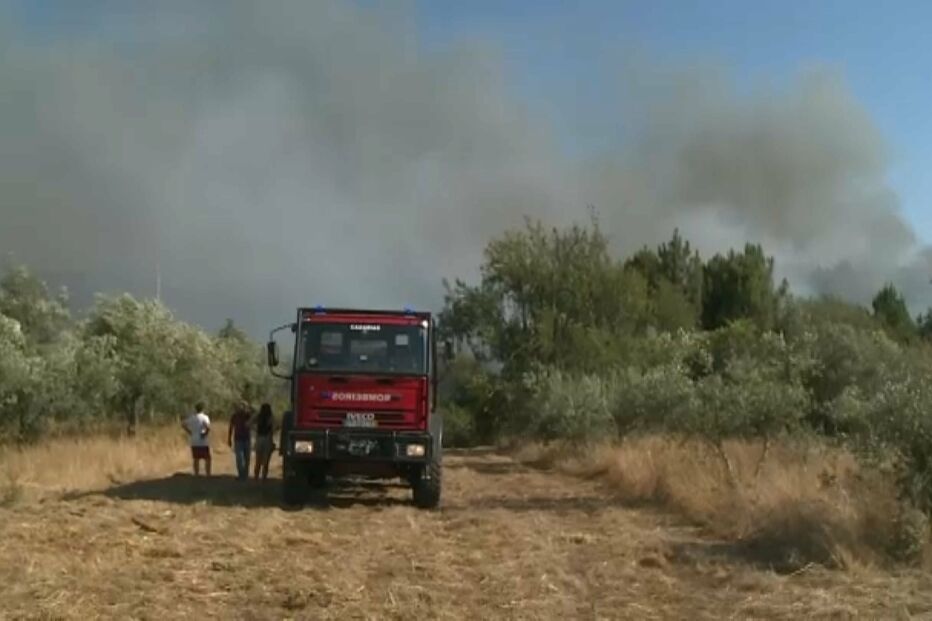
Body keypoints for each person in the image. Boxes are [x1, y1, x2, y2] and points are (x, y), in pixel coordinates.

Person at [182, 402, 211, 476]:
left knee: (196, 458)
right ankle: (208, 473)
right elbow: (208, 427)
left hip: (194, 439)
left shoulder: (192, 417)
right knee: (207, 458)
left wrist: (189, 432)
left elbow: (183, 424)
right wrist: (204, 434)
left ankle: (196, 473)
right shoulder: (205, 417)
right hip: (203, 440)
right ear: (203, 409)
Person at [228, 401, 252, 481]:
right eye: (239, 406)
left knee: (247, 458)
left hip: (246, 439)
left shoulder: (247, 415)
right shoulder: (234, 416)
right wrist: (229, 438)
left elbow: (255, 414)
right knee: (239, 458)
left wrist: (247, 406)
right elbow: (231, 427)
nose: (241, 408)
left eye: (242, 406)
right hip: (238, 439)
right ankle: (241, 475)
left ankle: (245, 475)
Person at [253, 403, 276, 482]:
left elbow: (248, 424)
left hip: (259, 438)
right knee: (266, 461)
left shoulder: (258, 417)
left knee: (258, 460)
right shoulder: (270, 417)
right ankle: (264, 478)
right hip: (267, 439)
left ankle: (256, 477)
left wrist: (255, 429)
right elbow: (277, 425)